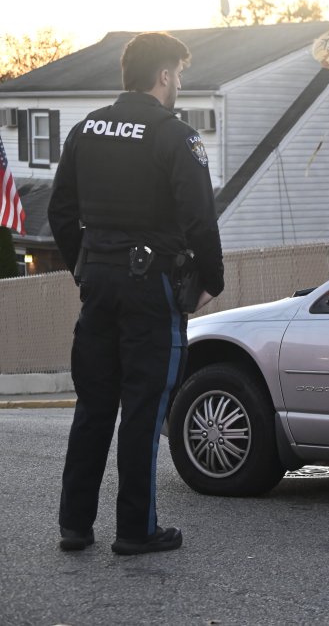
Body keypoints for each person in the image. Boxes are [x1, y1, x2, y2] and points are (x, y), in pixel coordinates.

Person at [48, 32, 224, 556]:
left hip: (97, 283)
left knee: (93, 406)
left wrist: (89, 265)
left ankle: (75, 526)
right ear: (165, 75)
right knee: (143, 409)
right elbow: (199, 218)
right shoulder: (174, 135)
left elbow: (60, 211)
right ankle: (136, 530)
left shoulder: (86, 128)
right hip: (151, 288)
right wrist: (210, 282)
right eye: (179, 75)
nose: (179, 85)